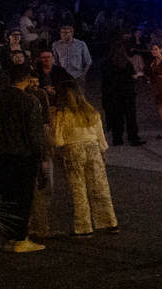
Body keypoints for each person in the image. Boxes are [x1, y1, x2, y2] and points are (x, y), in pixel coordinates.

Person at [0, 65, 51, 251]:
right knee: (22, 198)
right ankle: (20, 239)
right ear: (26, 79)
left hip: (0, 154)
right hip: (23, 155)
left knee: (7, 198)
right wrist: (42, 157)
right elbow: (35, 132)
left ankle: (8, 238)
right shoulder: (29, 101)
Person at [49, 84, 118, 237]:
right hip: (93, 149)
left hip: (73, 150)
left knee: (77, 188)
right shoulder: (91, 111)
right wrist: (102, 151)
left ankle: (84, 227)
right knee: (99, 187)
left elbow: (58, 140)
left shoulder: (61, 114)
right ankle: (109, 222)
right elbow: (100, 136)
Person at [99, 37, 144, 146]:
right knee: (130, 116)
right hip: (127, 92)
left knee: (116, 116)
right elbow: (134, 76)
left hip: (112, 93)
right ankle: (132, 137)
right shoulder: (126, 63)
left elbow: (104, 78)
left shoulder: (107, 63)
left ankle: (117, 138)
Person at [51, 24, 93, 91]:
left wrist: (83, 75)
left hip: (77, 75)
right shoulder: (56, 45)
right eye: (61, 32)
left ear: (72, 33)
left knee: (79, 95)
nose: (63, 34)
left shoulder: (81, 44)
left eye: (66, 32)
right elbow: (55, 61)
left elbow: (88, 61)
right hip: (63, 76)